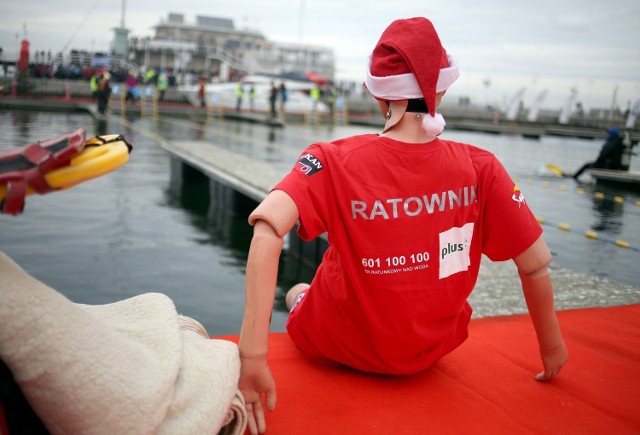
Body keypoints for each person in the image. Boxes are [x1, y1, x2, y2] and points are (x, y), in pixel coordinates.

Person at [238, 17, 568, 435]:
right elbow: (535, 264)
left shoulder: (333, 159)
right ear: (442, 90)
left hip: (340, 343)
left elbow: (267, 230)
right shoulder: (481, 166)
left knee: (298, 290)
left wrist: (252, 357)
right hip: (429, 350)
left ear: (378, 94)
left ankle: (301, 300)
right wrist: (551, 347)